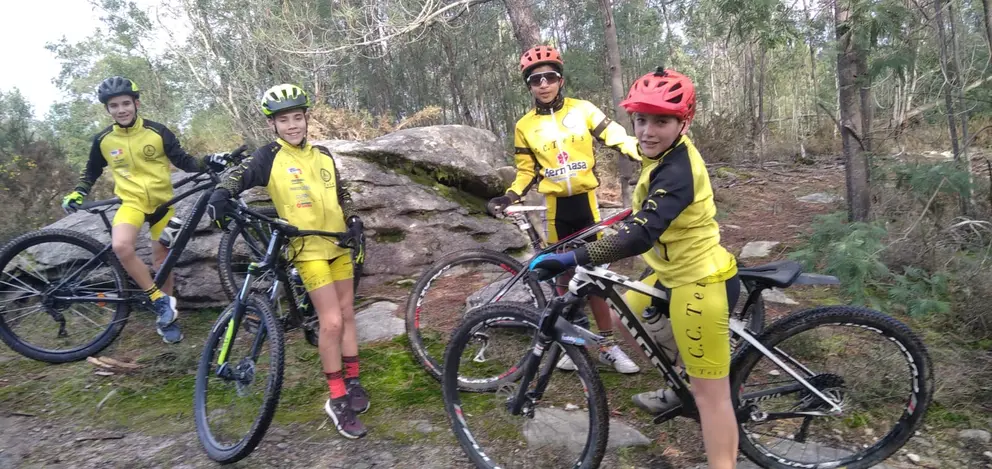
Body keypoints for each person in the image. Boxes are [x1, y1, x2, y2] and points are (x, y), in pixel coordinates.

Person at [529, 67, 741, 469]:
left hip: (699, 283)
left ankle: (704, 413)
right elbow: (650, 211)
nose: (646, 130)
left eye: (661, 121)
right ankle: (680, 379)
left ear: (684, 122)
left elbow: (642, 235)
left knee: (711, 399)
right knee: (627, 314)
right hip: (672, 270)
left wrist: (574, 257)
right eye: (641, 119)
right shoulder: (664, 155)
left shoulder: (679, 169)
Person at [206, 84, 369, 439]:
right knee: (330, 322)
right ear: (273, 125)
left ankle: (353, 380)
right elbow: (238, 175)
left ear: (307, 118)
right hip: (307, 251)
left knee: (347, 315)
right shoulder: (268, 157)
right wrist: (220, 194)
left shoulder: (323, 154)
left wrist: (354, 219)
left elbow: (341, 193)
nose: (293, 125)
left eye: (298, 117)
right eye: (284, 120)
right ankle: (337, 399)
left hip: (338, 244)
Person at [487, 44, 642, 374]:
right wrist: (510, 195)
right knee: (562, 277)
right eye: (534, 79)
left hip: (586, 203)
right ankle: (567, 342)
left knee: (596, 276)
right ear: (528, 85)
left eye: (549, 77)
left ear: (560, 79)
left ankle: (606, 345)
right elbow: (526, 170)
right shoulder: (524, 125)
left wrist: (639, 149)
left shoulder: (582, 109)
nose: (543, 84)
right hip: (556, 208)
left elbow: (612, 133)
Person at [61, 76, 231, 344]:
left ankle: (169, 320)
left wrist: (209, 160)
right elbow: (92, 171)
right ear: (108, 110)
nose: (121, 110)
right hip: (131, 204)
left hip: (162, 205)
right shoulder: (103, 140)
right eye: (114, 106)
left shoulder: (157, 132)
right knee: (121, 247)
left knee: (163, 263)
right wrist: (79, 191)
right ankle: (158, 301)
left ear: (136, 103)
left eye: (126, 103)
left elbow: (184, 160)